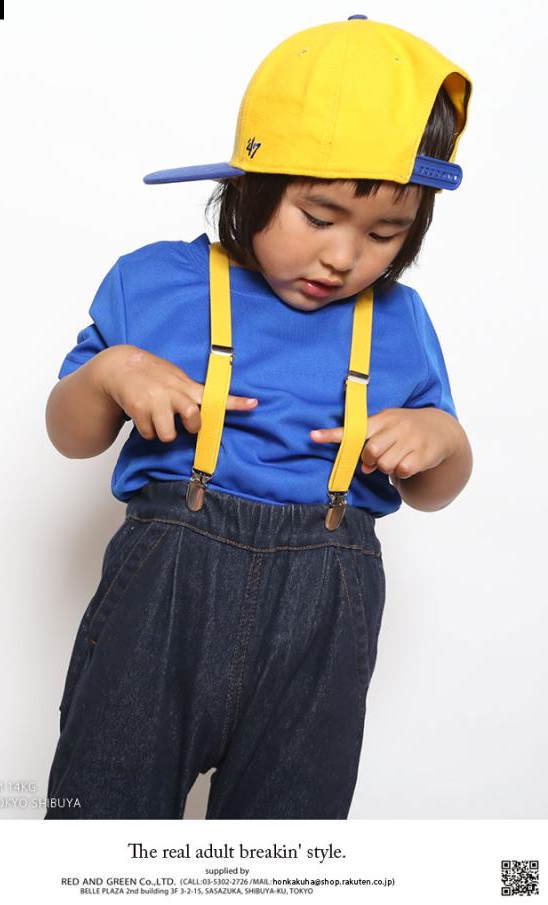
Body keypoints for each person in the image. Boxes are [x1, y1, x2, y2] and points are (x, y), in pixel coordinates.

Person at [43, 15, 474, 820]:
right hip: (166, 590)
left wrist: (442, 442)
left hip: (325, 609)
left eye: (386, 233)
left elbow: (436, 488)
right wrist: (109, 373)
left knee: (287, 845)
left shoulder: (401, 321)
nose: (343, 257)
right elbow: (71, 435)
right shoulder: (154, 281)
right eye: (319, 217)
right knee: (101, 814)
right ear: (250, 185)